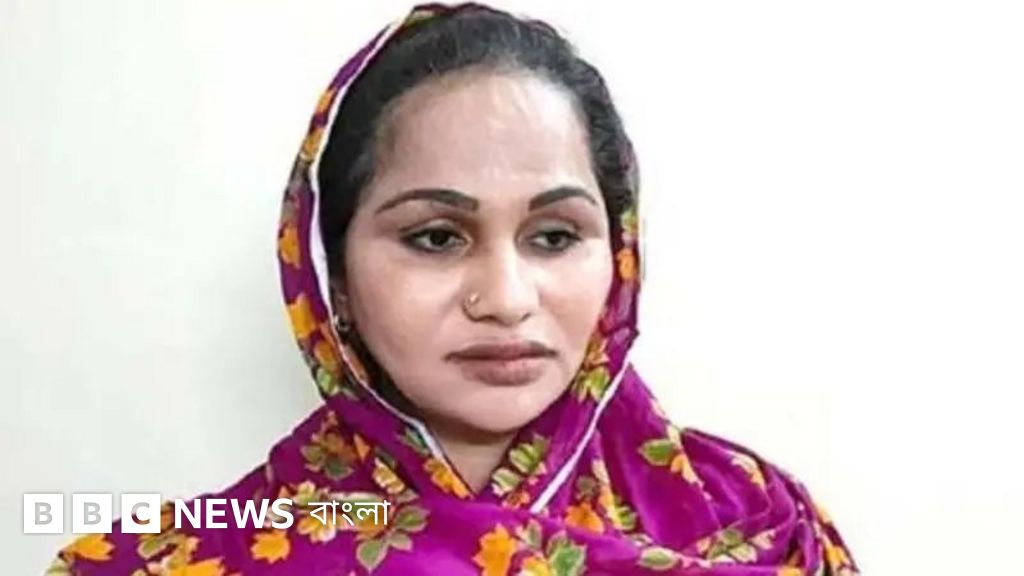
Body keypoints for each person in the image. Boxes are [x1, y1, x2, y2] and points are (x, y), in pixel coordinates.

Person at [49, 3, 858, 574]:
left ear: (618, 255)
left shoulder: (766, 532)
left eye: (554, 237)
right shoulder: (180, 562)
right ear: (332, 277)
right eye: (436, 238)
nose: (505, 298)